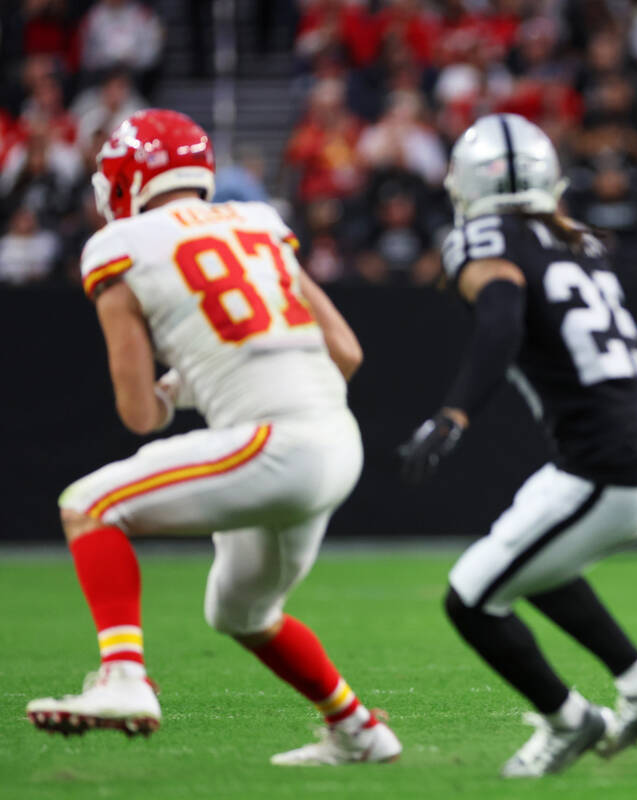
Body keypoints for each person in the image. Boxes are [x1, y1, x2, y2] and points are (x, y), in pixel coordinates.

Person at [25, 109, 401, 766]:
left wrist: (178, 389)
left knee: (89, 505)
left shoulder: (119, 246)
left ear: (125, 179)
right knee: (241, 613)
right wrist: (220, 379)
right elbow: (346, 350)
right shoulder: (258, 221)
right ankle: (359, 729)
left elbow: (140, 415)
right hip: (337, 442)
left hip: (272, 445)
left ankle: (122, 677)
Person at [397, 113, 637, 778]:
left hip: (605, 469)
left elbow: (501, 318)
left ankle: (570, 720)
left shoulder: (485, 235)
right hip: (625, 458)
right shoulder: (579, 239)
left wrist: (453, 415)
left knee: (470, 598)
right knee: (534, 565)